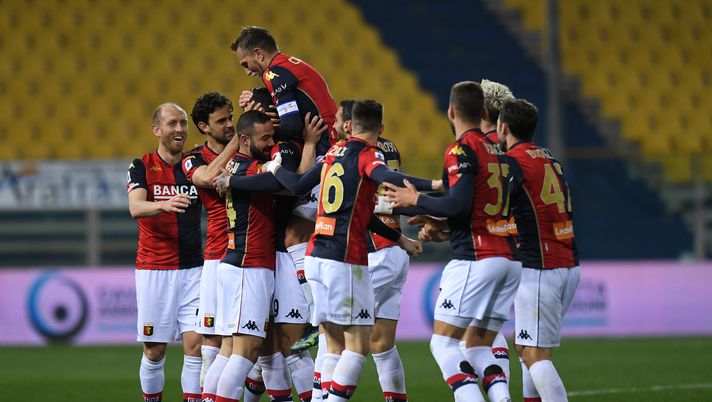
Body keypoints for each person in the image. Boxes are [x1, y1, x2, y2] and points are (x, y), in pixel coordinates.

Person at [264, 100, 434, 402]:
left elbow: (303, 185)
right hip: (349, 257)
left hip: (320, 252)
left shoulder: (332, 153)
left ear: (348, 125)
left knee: (356, 342)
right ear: (379, 128)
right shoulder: (373, 155)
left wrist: (276, 167)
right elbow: (388, 181)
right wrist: (435, 185)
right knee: (356, 345)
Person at [384, 82, 521, 402]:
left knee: (443, 344)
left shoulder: (461, 149)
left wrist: (417, 198)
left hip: (477, 258)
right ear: (485, 112)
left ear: (451, 112)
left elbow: (457, 204)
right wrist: (431, 216)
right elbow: (472, 208)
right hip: (508, 259)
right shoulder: (499, 152)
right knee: (477, 345)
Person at [498, 99, 580, 402]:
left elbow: (484, 202)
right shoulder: (550, 159)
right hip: (568, 262)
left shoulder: (513, 162)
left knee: (534, 353)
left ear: (503, 127)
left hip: (541, 266)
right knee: (526, 348)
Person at [127, 103, 203, 402]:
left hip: (194, 270)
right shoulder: (142, 165)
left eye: (183, 123)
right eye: (172, 123)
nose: (180, 129)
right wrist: (164, 204)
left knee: (196, 346)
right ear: (157, 130)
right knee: (155, 350)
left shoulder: (194, 166)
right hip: (154, 269)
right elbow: (135, 207)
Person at [180, 92, 239, 392]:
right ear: (204, 126)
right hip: (217, 254)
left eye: (231, 117)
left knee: (251, 342)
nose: (230, 124)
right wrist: (237, 144)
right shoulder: (193, 158)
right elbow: (204, 179)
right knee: (213, 340)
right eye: (222, 121)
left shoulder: (246, 148)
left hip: (253, 253)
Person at [231, 26, 339, 156]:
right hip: (333, 137)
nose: (247, 72)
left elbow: (292, 126)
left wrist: (261, 134)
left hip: (325, 144)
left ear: (259, 54)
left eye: (245, 64)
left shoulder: (273, 73)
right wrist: (253, 96)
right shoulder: (286, 64)